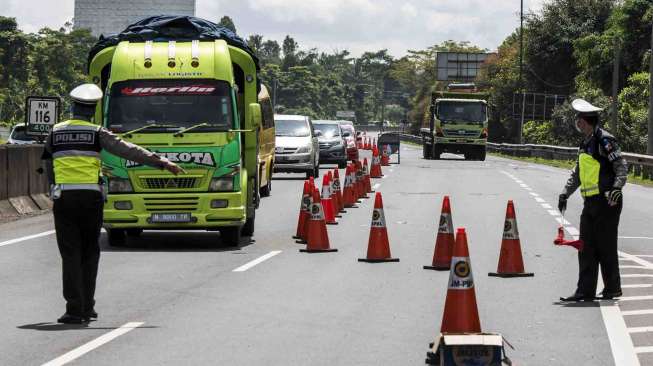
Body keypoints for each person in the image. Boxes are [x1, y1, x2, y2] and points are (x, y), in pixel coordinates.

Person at [42, 84, 184, 323]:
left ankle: (75, 309)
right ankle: (87, 306)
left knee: (70, 254)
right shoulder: (97, 132)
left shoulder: (55, 132)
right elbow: (128, 150)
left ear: (72, 107)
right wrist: (161, 162)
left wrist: (55, 187)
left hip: (64, 198)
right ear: (93, 110)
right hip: (91, 199)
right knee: (90, 251)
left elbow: (48, 163)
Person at [558, 99, 628, 302]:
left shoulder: (604, 141)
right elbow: (578, 173)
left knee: (605, 246)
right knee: (586, 246)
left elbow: (621, 167)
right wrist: (565, 193)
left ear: (584, 121)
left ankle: (612, 288)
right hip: (590, 201)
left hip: (608, 201)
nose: (576, 122)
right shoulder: (585, 143)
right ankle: (585, 291)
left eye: (578, 118)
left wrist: (617, 188)